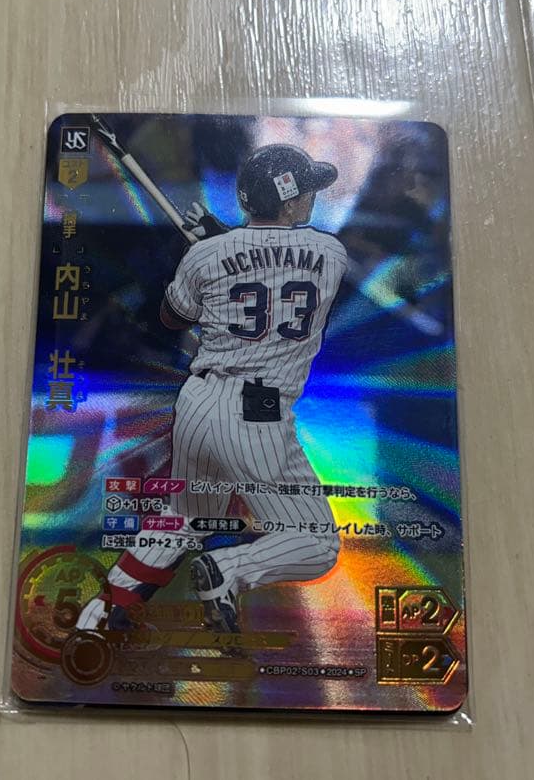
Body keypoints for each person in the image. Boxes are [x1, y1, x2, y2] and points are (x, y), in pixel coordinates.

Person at [78, 144, 348, 637]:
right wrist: (220, 241)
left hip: (199, 405)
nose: (311, 197)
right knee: (315, 543)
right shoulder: (331, 253)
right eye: (305, 191)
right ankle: (228, 570)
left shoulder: (204, 255)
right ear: (288, 202)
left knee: (184, 517)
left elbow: (172, 318)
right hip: (259, 412)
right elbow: (274, 263)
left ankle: (97, 617)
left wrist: (209, 249)